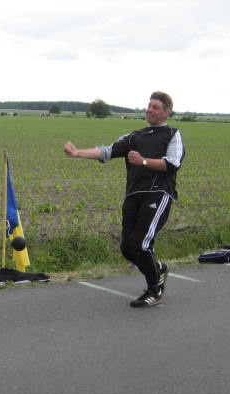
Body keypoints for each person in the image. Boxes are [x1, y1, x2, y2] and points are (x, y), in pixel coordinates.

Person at [64, 91, 185, 307]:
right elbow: (107, 151)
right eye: (149, 105)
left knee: (141, 244)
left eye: (156, 107)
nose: (150, 110)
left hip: (157, 194)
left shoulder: (172, 134)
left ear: (166, 112)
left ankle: (155, 290)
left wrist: (144, 161)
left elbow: (172, 163)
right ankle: (158, 268)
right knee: (127, 248)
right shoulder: (134, 136)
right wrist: (77, 153)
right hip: (133, 195)